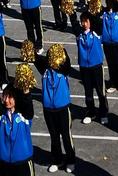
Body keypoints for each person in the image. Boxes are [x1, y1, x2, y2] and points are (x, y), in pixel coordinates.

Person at [34, 45, 76, 173]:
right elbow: (36, 59)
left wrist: (62, 51)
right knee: (54, 137)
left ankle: (71, 160)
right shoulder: (45, 70)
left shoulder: (63, 69)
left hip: (63, 108)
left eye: (55, 55)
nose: (53, 58)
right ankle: (57, 160)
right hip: (48, 109)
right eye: (51, 55)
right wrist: (31, 50)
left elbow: (67, 62)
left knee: (66, 136)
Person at [74, 12, 109, 125]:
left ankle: (103, 113)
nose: (84, 24)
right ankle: (91, 112)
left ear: (90, 22)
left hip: (96, 67)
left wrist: (93, 11)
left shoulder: (96, 32)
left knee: (100, 91)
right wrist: (71, 12)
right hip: (84, 68)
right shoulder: (79, 34)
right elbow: (74, 23)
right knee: (88, 92)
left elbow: (98, 22)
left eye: (86, 21)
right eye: (82, 21)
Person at [0, 84, 35, 176]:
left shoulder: (24, 115)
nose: (6, 100)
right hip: (4, 162)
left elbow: (27, 103)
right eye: (5, 96)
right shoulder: (2, 115)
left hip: (23, 162)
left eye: (10, 96)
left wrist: (26, 91)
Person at [101, 0, 118, 93]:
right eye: (108, 2)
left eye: (111, 2)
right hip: (107, 43)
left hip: (117, 43)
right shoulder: (103, 13)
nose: (109, 4)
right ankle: (113, 83)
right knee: (111, 64)